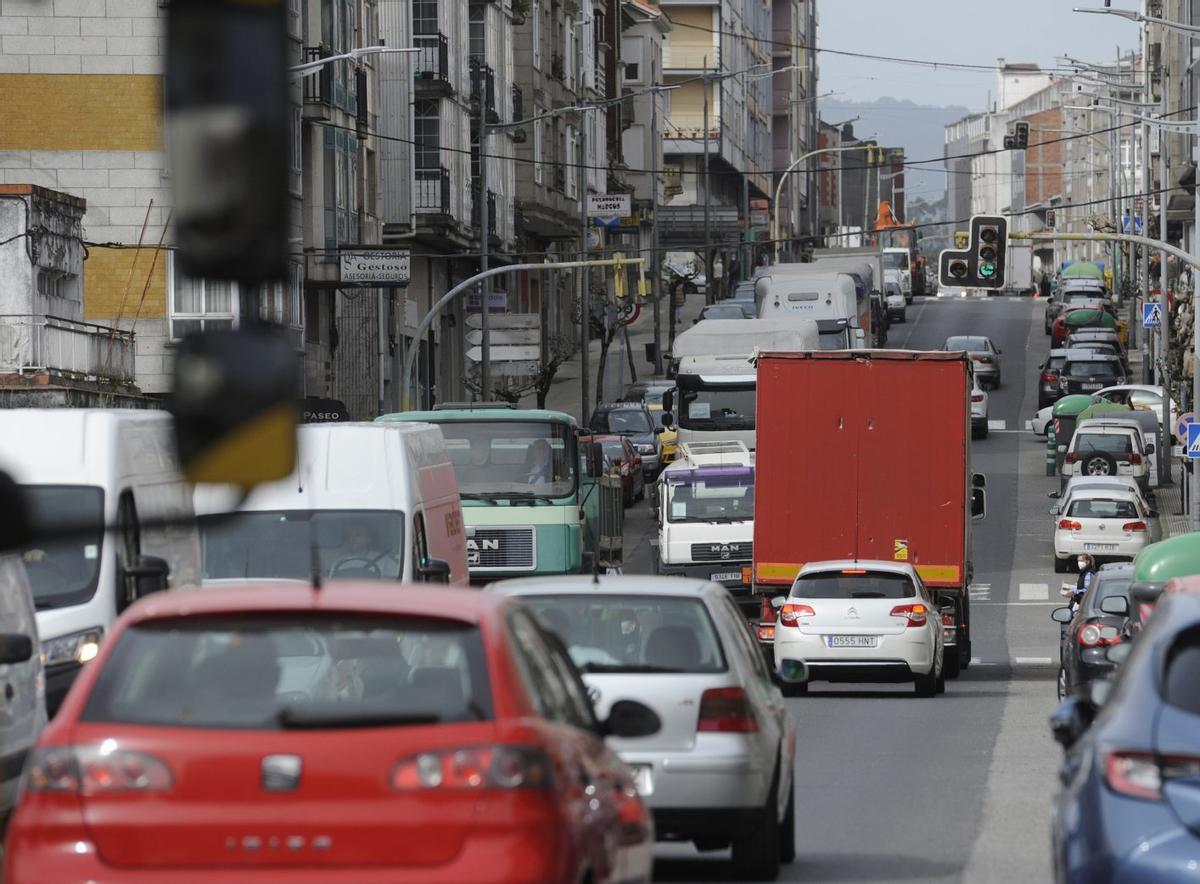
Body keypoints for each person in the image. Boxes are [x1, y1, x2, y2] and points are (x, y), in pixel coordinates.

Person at [328, 518, 399, 578]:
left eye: (358, 535)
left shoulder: (384, 560)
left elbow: (398, 581)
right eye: (349, 535)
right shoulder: (339, 562)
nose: (352, 538)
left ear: (369, 538)